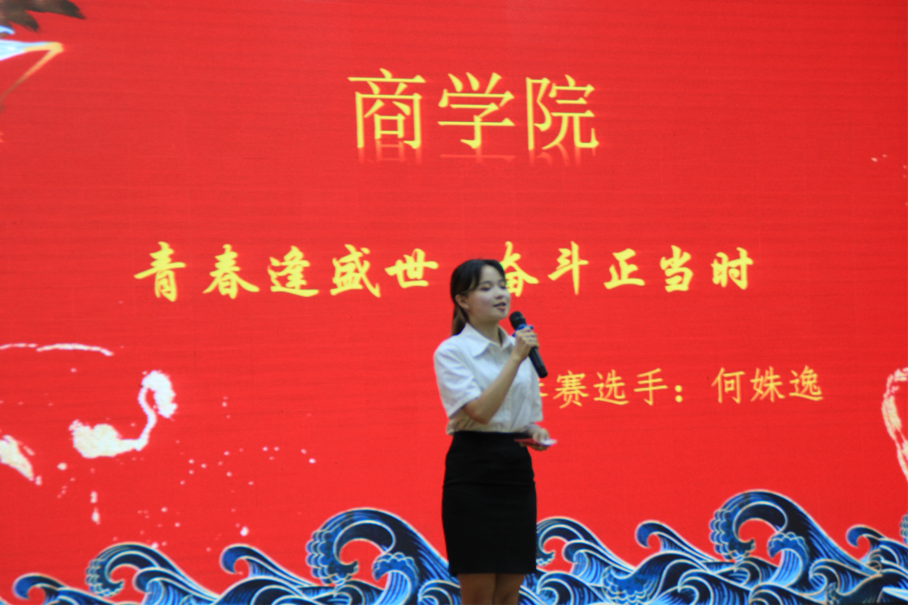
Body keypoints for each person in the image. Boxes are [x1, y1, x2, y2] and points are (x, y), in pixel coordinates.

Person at [433, 259, 552, 605]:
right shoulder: (452, 351)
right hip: (473, 472)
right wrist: (515, 358)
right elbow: (481, 412)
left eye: (502, 285)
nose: (500, 294)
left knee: (509, 593)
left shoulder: (520, 349)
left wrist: (533, 432)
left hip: (515, 473)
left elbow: (518, 418)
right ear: (462, 300)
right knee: (479, 594)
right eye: (486, 288)